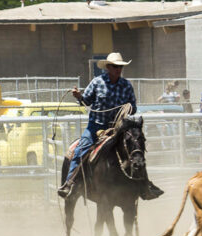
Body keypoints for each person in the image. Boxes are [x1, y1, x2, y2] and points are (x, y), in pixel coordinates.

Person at [58, 52, 162, 200]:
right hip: (96, 126)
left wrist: (129, 108)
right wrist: (79, 97)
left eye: (120, 67)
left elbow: (133, 105)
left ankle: (145, 185)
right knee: (81, 149)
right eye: (115, 66)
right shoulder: (97, 82)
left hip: (118, 127)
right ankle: (70, 183)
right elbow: (86, 101)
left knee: (136, 149)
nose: (118, 69)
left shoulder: (126, 85)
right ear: (108, 67)